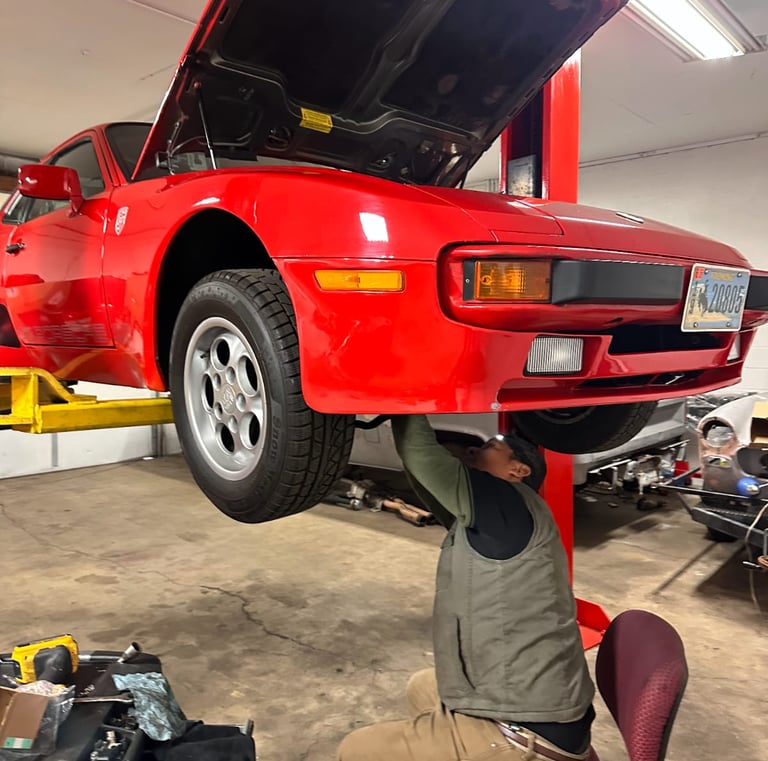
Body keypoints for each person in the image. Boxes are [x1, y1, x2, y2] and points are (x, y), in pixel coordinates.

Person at [337, 414, 595, 761]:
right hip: (541, 705)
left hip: (529, 731)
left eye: (490, 446)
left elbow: (420, 453)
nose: (476, 448)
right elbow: (427, 477)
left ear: (518, 471)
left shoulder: (504, 499)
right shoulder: (494, 518)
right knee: (422, 687)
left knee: (356, 750)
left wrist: (406, 396)